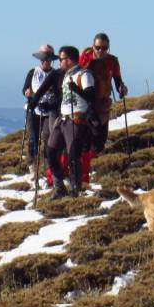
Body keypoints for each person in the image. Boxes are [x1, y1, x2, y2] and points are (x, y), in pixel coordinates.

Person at [46, 45, 96, 197]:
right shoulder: (67, 75)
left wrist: (76, 89)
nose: (59, 62)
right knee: (51, 151)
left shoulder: (85, 75)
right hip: (63, 119)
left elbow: (90, 96)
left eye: (61, 59)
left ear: (69, 59)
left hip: (76, 119)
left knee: (73, 155)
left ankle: (75, 189)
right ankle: (60, 185)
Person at [79, 32, 128, 153]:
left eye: (104, 48)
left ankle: (93, 162)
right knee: (90, 137)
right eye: (98, 47)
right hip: (86, 104)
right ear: (93, 46)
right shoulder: (85, 57)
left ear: (108, 48)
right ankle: (86, 164)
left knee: (101, 138)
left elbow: (117, 81)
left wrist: (122, 89)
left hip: (103, 105)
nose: (101, 50)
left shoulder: (112, 61)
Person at [22, 44, 59, 176]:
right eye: (44, 59)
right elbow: (25, 88)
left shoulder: (56, 75)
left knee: (47, 138)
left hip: (49, 111)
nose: (46, 61)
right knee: (32, 138)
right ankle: (32, 165)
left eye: (48, 59)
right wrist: (27, 93)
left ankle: (47, 166)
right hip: (34, 110)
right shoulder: (33, 72)